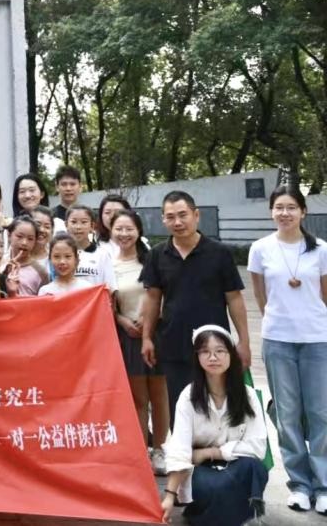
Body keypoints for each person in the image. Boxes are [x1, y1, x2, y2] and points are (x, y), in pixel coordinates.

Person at [246, 185, 327, 513]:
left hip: (317, 339)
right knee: (287, 413)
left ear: (303, 212)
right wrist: (278, 319)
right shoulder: (260, 248)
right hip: (278, 339)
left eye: (291, 207)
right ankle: (299, 485)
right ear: (271, 212)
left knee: (320, 413)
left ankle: (323, 485)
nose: (285, 213)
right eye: (279, 207)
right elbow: (260, 294)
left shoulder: (320, 249)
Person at [141, 191, 249, 417]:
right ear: (163, 220)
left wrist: (244, 341)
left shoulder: (219, 253)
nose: (177, 222)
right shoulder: (157, 255)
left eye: (183, 215)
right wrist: (147, 338)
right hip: (174, 344)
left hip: (214, 346)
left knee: (218, 409)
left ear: (196, 215)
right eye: (170, 217)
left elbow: (234, 298)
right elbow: (152, 298)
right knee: (180, 409)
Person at [162, 326, 269, 526]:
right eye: (205, 352)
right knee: (213, 486)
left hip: (234, 464)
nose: (213, 357)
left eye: (220, 351)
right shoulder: (188, 396)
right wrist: (169, 495)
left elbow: (257, 447)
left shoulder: (248, 395)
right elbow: (180, 449)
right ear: (197, 357)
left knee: (254, 468)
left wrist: (209, 452)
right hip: (200, 470)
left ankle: (232, 516)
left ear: (231, 355)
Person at [110, 209, 170, 475]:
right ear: (111, 231)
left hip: (156, 332)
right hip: (128, 336)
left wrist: (148, 322)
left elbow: (162, 295)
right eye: (119, 229)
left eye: (129, 229)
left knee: (159, 395)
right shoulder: (109, 264)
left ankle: (161, 449)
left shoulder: (152, 259)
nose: (124, 234)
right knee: (138, 398)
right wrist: (123, 321)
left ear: (138, 231)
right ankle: (141, 450)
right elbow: (109, 303)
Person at [63, 206, 115, 291]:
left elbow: (110, 287)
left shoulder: (102, 254)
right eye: (73, 222)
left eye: (84, 222)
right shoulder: (59, 255)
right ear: (66, 225)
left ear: (92, 226)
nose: (78, 227)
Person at [4, 216, 47, 297]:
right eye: (19, 236)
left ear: (35, 241)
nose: (24, 243)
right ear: (9, 235)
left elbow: (44, 301)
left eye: (30, 239)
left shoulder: (41, 271)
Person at [96, 194, 133, 261]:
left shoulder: (140, 243)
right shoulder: (94, 244)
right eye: (107, 212)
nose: (112, 216)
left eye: (118, 212)